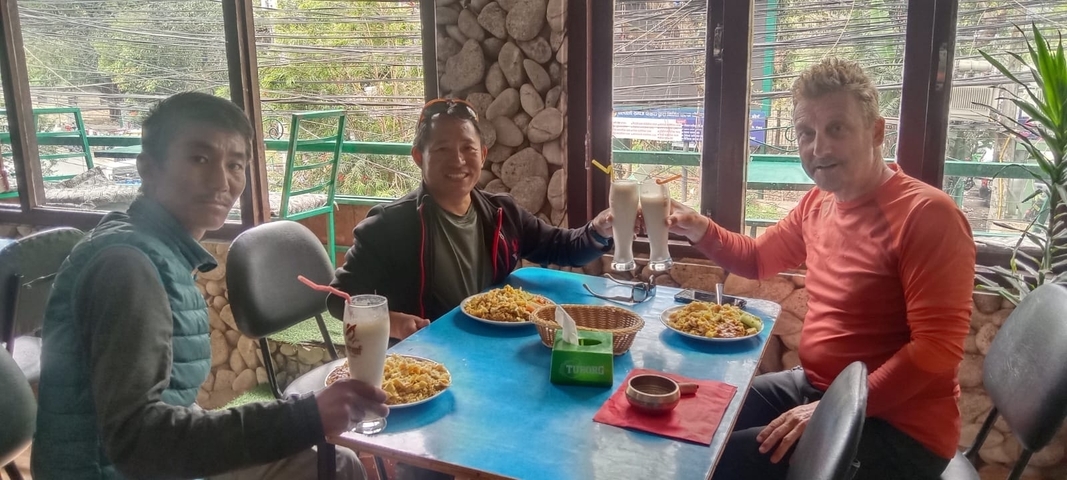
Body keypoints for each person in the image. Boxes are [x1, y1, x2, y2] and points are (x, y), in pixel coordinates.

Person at [32, 92, 388, 480]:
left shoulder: (161, 254)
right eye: (199, 159)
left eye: (235, 164)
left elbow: (166, 409)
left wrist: (296, 420)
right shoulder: (126, 266)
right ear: (148, 169)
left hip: (148, 463)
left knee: (335, 466)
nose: (222, 180)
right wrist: (302, 417)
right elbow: (136, 442)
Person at [666, 58, 975, 479]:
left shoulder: (928, 215)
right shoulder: (820, 203)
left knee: (710, 463)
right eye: (806, 134)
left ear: (877, 132)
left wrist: (835, 410)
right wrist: (698, 227)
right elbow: (758, 258)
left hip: (899, 430)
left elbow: (936, 350)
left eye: (837, 129)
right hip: (817, 389)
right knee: (690, 418)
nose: (819, 148)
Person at [330, 98, 614, 341]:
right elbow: (339, 298)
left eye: (468, 148)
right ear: (419, 156)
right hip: (427, 355)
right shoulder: (389, 226)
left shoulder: (502, 214)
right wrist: (392, 322)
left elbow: (560, 246)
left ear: (483, 154)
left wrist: (600, 229)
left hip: (492, 346)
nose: (458, 160)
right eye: (442, 149)